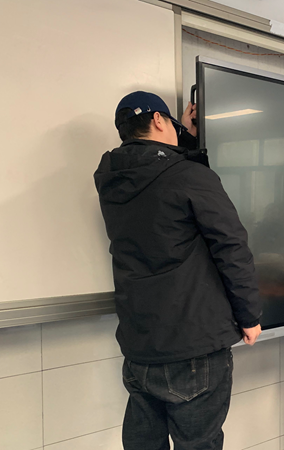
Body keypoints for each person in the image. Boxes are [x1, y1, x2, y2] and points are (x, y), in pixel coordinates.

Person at [94, 91, 262, 450]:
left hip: (140, 343)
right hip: (193, 342)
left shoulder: (110, 179)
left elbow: (160, 186)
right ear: (158, 120)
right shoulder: (190, 176)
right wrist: (249, 315)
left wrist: (183, 134)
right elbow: (231, 246)